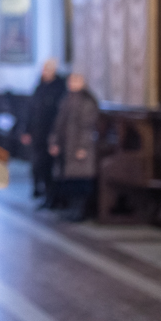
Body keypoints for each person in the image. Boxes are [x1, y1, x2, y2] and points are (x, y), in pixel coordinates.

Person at [48, 73, 100, 222]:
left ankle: (81, 210)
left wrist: (82, 147)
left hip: (80, 147)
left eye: (76, 81)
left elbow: (87, 128)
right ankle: (71, 208)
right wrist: (54, 142)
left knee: (81, 181)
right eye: (71, 81)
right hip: (67, 146)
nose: (72, 83)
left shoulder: (87, 102)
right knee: (69, 180)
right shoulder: (66, 99)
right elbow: (58, 123)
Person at [21, 59, 68, 202]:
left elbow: (60, 114)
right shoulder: (39, 87)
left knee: (49, 165)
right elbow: (31, 110)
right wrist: (26, 130)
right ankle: (38, 188)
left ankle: (51, 195)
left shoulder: (59, 88)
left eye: (47, 69)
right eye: (44, 69)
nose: (44, 72)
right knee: (37, 163)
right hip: (37, 132)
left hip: (51, 132)